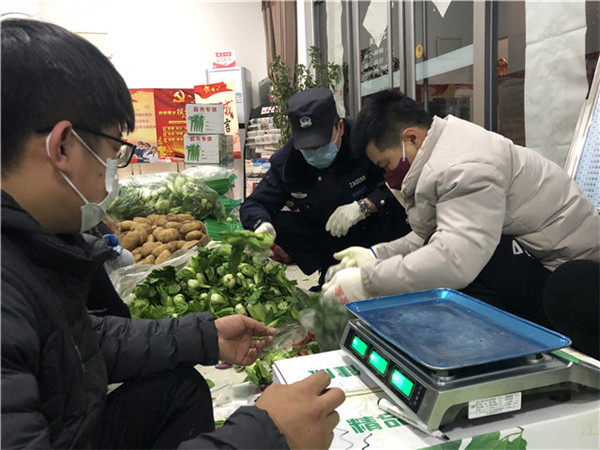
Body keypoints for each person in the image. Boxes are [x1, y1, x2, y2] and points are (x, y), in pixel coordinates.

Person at [1, 18, 345, 449]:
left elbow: (78, 342)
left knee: (178, 391)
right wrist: (269, 434)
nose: (114, 172)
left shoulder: (32, 250)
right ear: (63, 147)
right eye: (114, 152)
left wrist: (204, 337)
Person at [323, 89, 600, 358]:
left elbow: (454, 259)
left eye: (386, 165)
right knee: (455, 256)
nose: (388, 175)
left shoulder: (466, 166)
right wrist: (375, 256)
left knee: (479, 262)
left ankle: (514, 353)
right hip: (540, 264)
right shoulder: (445, 151)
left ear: (412, 138)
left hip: (571, 282)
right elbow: (434, 235)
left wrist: (368, 281)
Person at [240, 88, 411, 287]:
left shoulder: (368, 141)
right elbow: (254, 204)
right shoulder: (286, 162)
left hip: (377, 230)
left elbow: (402, 182)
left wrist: (365, 206)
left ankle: (390, 266)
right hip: (329, 236)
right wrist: (261, 225)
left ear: (340, 127)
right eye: (307, 147)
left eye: (321, 144)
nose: (315, 152)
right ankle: (329, 268)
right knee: (280, 221)